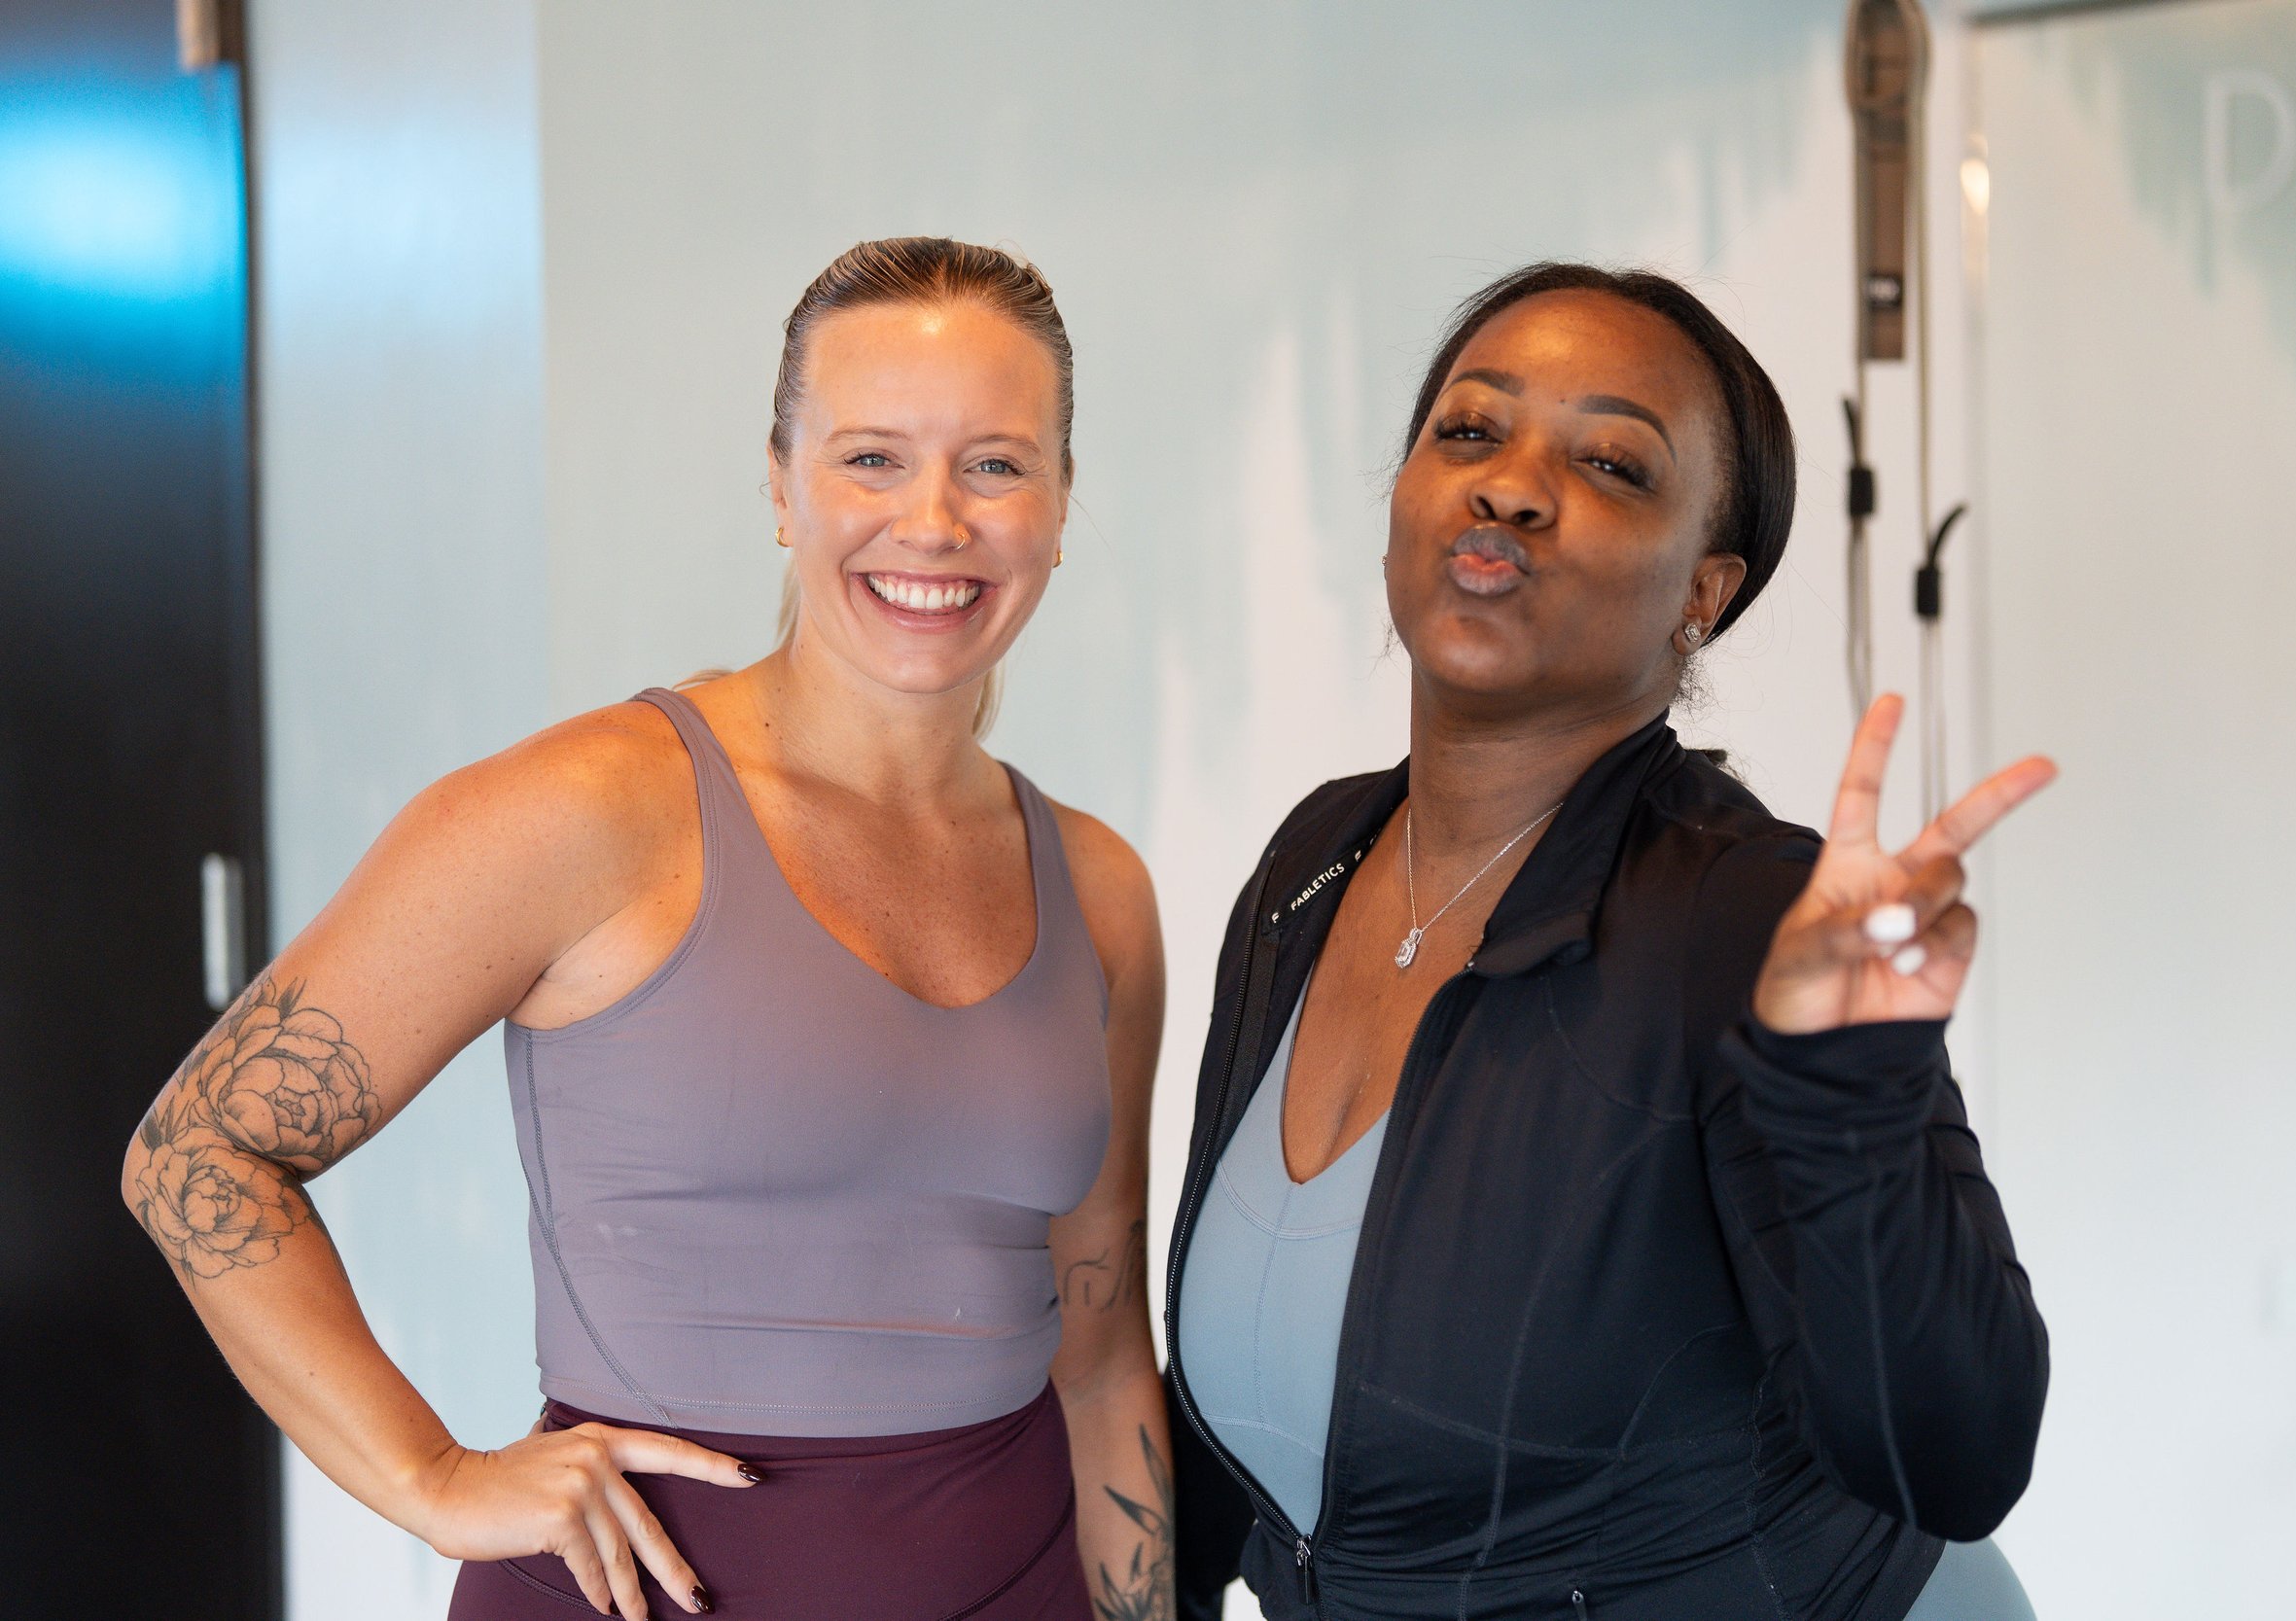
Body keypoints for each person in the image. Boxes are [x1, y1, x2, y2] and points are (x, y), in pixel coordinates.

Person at [123, 238, 1174, 1621]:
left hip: (1023, 1581)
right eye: (870, 458)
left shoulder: (1098, 891)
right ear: (780, 487)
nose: (934, 520)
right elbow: (197, 1146)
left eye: (994, 463)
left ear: (1058, 501)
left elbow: (1099, 1353)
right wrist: (429, 1475)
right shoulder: (590, 814)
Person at [1164, 263, 2053, 1621]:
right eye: (1471, 431)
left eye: (1615, 466)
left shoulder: (1742, 913)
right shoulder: (1315, 857)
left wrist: (1855, 1090)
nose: (1512, 486)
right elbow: (1247, 1395)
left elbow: (1952, 1458)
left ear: (1704, 589)